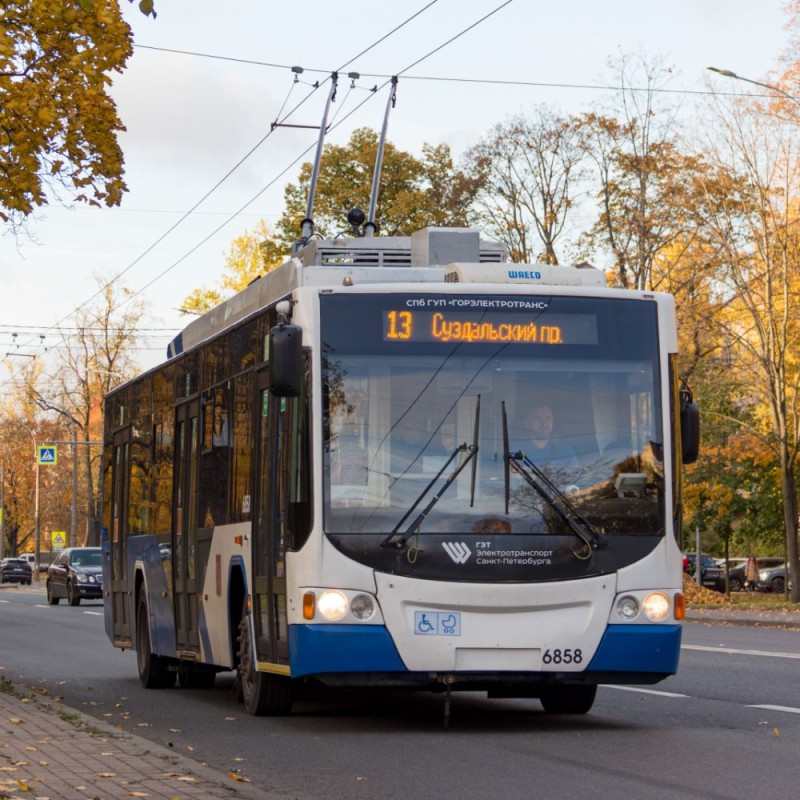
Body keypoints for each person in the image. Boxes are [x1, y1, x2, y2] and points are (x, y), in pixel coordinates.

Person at [523, 402, 579, 482]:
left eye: (547, 418)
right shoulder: (516, 452)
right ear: (527, 423)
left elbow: (575, 479)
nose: (544, 423)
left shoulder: (565, 449)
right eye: (538, 419)